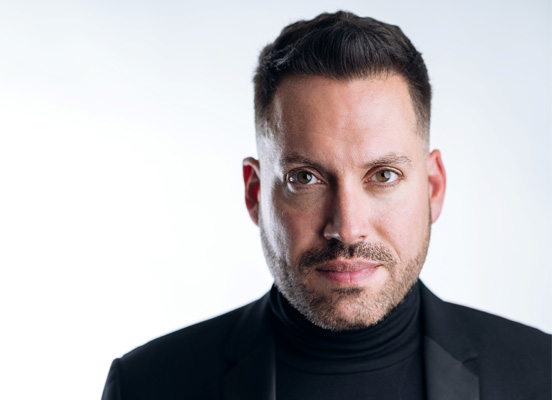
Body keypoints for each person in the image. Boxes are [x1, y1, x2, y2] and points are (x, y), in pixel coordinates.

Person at [101, 11, 550, 399]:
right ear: (255, 193)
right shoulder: (146, 387)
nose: (348, 228)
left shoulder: (541, 377)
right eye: (305, 178)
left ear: (432, 188)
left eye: (383, 176)